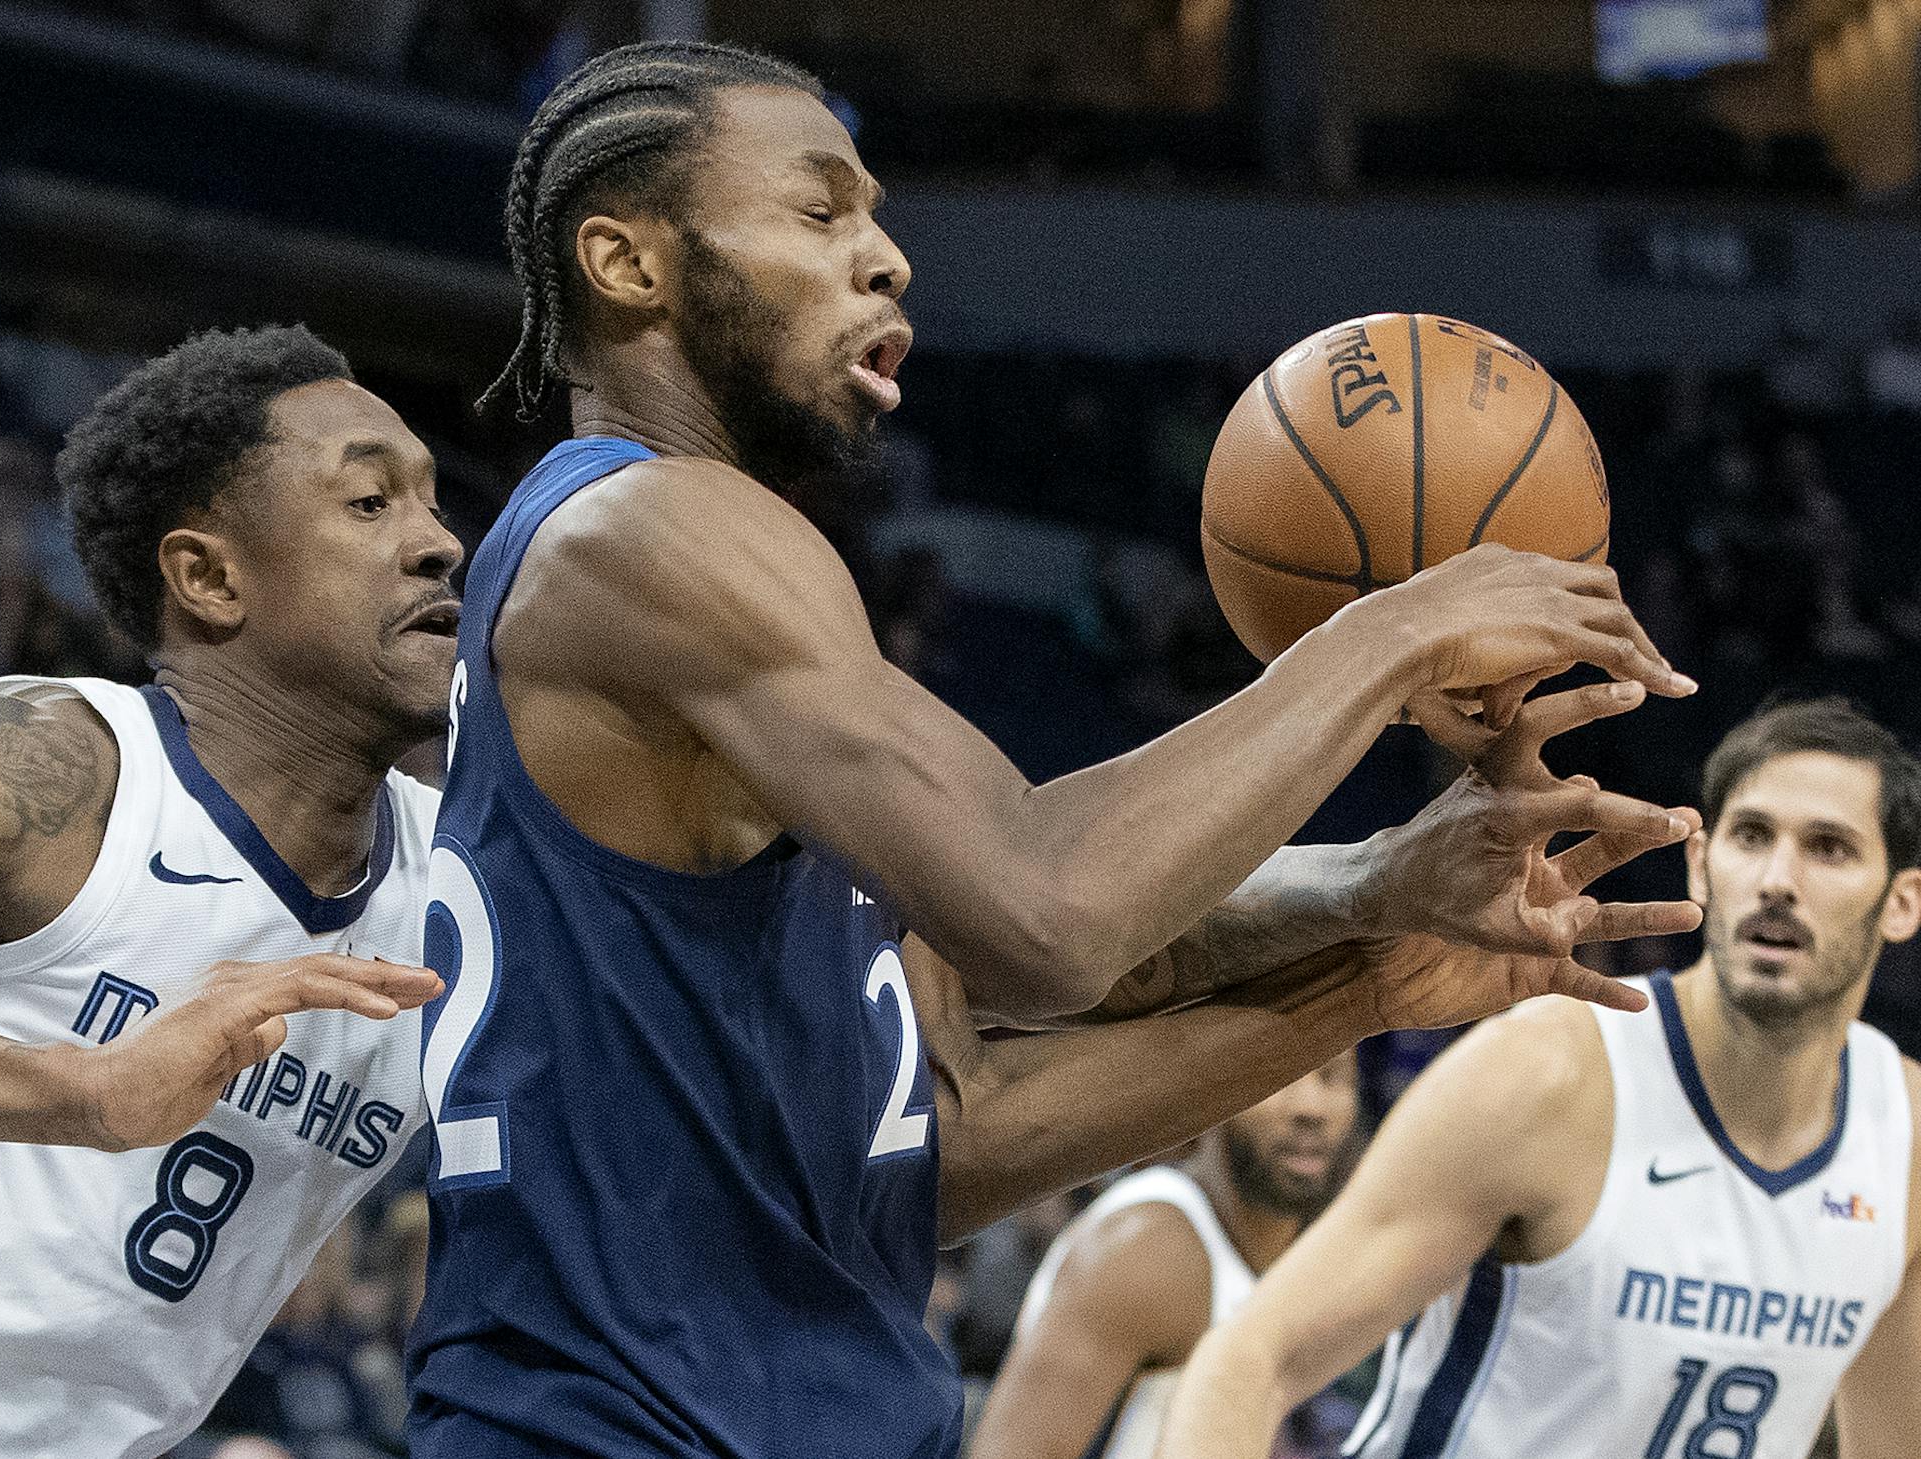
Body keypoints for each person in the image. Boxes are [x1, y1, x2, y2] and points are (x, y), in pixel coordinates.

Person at [408, 39, 1701, 1459]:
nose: (887, 258)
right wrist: (1393, 630)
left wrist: (1375, 933)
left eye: (880, 215)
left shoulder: (712, 600)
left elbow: (943, 1131)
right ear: (626, 260)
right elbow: (1053, 916)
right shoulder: (643, 534)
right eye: (821, 210)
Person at [0, 325, 452, 1458]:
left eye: (431, 502)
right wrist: (83, 1090)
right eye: (371, 503)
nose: (438, 543)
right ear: (211, 576)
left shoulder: (458, 889)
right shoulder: (47, 770)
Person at [1156, 697, 1921, 1459]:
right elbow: (1250, 1359)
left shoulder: (1907, 1138)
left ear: (1902, 901)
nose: (1778, 878)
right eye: (1751, 836)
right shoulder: (1548, 1075)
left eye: (1829, 848)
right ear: (1700, 866)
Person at [971, 1052, 1362, 1459]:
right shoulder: (1143, 1251)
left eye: (1333, 1077)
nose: (1310, 1107)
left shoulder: (1315, 1246)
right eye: (1284, 1076)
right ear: (1217, 1094)